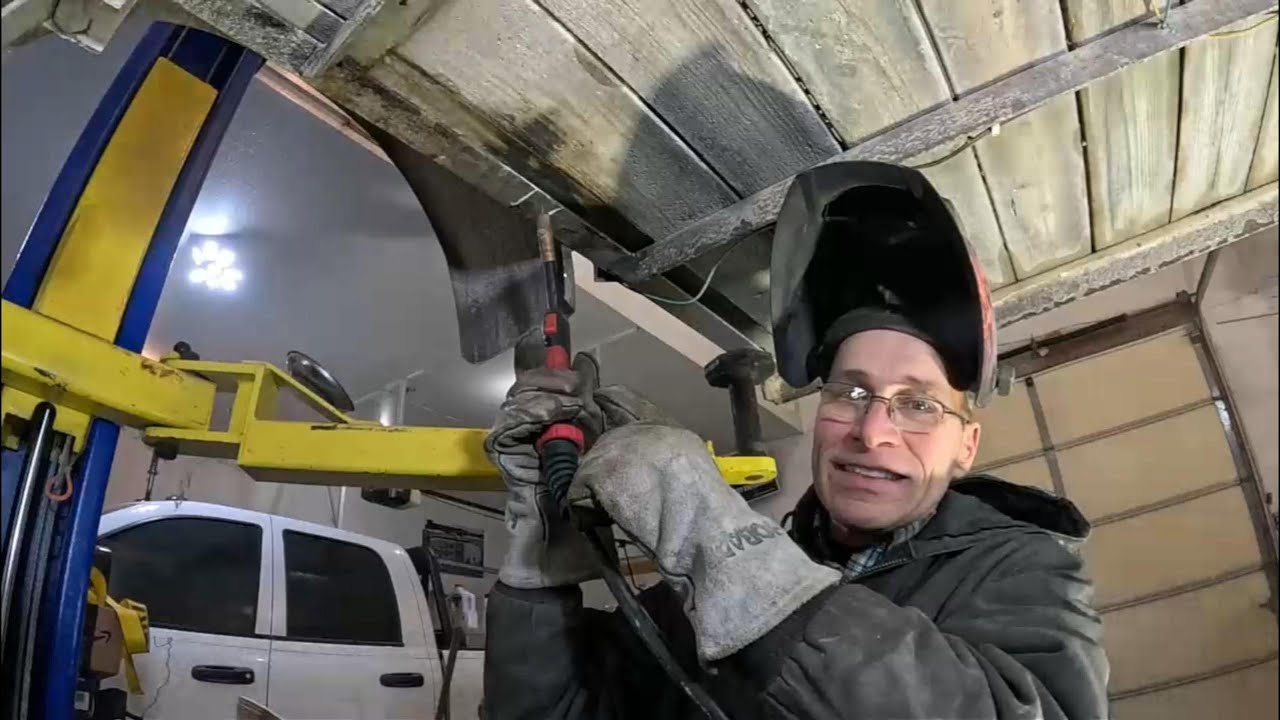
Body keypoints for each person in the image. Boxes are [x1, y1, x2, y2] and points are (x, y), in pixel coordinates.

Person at [482, 162, 1109, 719]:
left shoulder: (1022, 571)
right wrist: (541, 558)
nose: (871, 432)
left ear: (966, 446)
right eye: (851, 393)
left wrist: (716, 536)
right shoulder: (718, 580)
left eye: (917, 405)